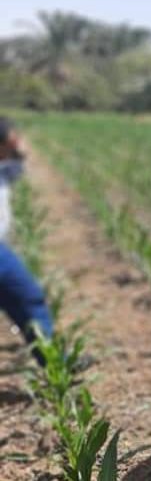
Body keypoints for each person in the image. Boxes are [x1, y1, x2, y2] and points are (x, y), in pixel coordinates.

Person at [0, 116, 54, 365]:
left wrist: (18, 149)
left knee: (28, 299)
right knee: (27, 298)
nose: (16, 143)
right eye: (11, 140)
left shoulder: (4, 169)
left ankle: (53, 362)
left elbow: (18, 165)